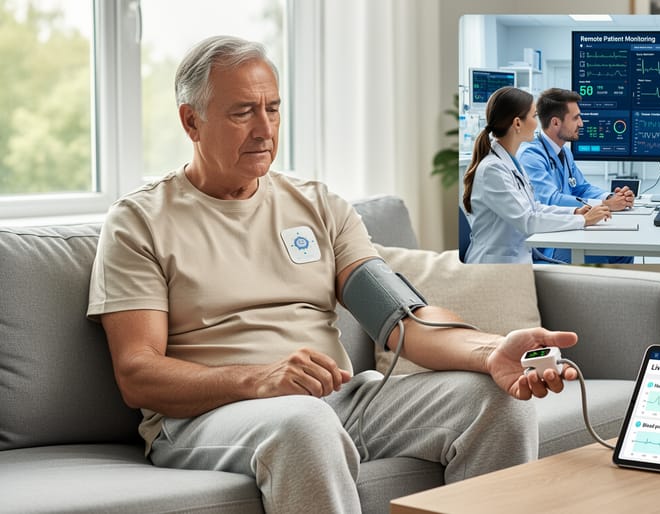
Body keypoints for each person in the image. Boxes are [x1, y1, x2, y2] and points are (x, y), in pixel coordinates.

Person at [87, 36, 584, 514]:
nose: (265, 130)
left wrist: (488, 350)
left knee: (496, 401)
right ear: (191, 122)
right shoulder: (140, 221)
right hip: (207, 418)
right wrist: (259, 380)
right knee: (303, 422)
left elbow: (400, 318)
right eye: (243, 112)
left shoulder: (316, 204)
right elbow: (138, 372)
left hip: (334, 401)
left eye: (273, 108)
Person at [462, 86, 611, 264]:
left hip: (518, 257)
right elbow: (528, 221)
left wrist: (575, 211)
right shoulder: (492, 170)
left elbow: (534, 207)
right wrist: (582, 220)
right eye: (534, 116)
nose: (538, 122)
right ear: (517, 123)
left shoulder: (510, 163)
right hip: (496, 265)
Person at [517, 88, 634, 263]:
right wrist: (605, 205)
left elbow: (582, 187)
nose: (581, 123)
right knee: (607, 253)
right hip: (550, 243)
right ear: (556, 123)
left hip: (570, 230)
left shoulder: (564, 152)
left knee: (624, 250)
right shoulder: (530, 156)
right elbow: (550, 199)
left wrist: (612, 197)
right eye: (575, 118)